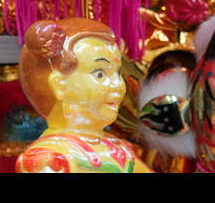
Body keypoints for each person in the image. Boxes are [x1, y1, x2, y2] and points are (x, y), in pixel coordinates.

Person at [16, 18, 151, 173]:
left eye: (118, 72)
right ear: (60, 85)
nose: (118, 85)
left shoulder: (119, 150)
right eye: (100, 74)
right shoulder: (50, 159)